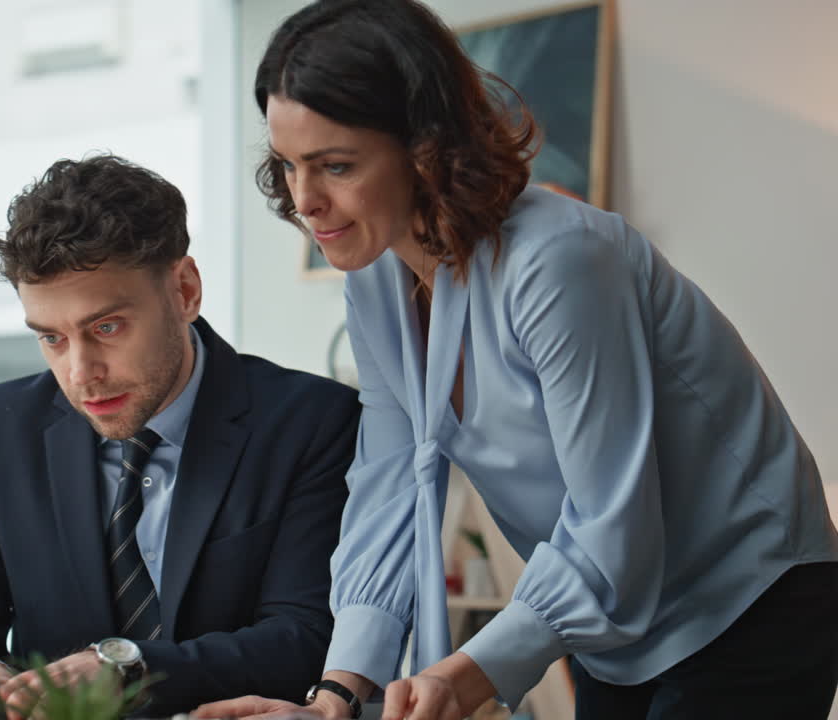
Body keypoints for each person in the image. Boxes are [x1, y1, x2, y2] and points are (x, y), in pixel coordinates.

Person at [193, 1, 838, 719]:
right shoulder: (375, 281)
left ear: (424, 147)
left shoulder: (559, 262)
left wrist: (464, 677)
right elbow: (386, 487)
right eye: (288, 165)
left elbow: (611, 521)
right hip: (618, 625)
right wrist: (336, 695)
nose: (303, 201)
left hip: (746, 597)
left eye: (335, 166)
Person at [0, 153, 361, 717]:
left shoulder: (312, 421)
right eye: (52, 338)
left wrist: (129, 669)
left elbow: (306, 638)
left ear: (184, 291)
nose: (81, 374)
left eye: (106, 328)